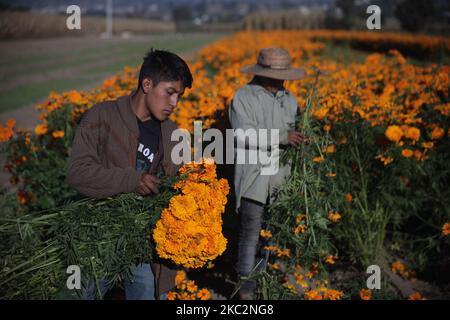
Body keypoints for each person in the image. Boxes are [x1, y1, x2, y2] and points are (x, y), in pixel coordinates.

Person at [66, 49, 193, 300]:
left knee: (146, 289)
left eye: (179, 96)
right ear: (147, 84)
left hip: (141, 244)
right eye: (169, 92)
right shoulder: (103, 115)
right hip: (97, 238)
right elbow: (77, 172)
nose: (174, 103)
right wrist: (132, 180)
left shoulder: (172, 134)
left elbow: (179, 188)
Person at [229, 47, 309, 300]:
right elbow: (244, 134)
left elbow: (295, 130)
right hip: (254, 177)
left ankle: (263, 283)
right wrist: (283, 137)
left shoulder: (290, 99)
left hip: (280, 179)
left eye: (284, 75)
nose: (281, 80)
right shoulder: (243, 97)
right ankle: (246, 292)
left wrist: (303, 139)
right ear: (261, 73)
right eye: (277, 75)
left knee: (271, 235)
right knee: (251, 235)